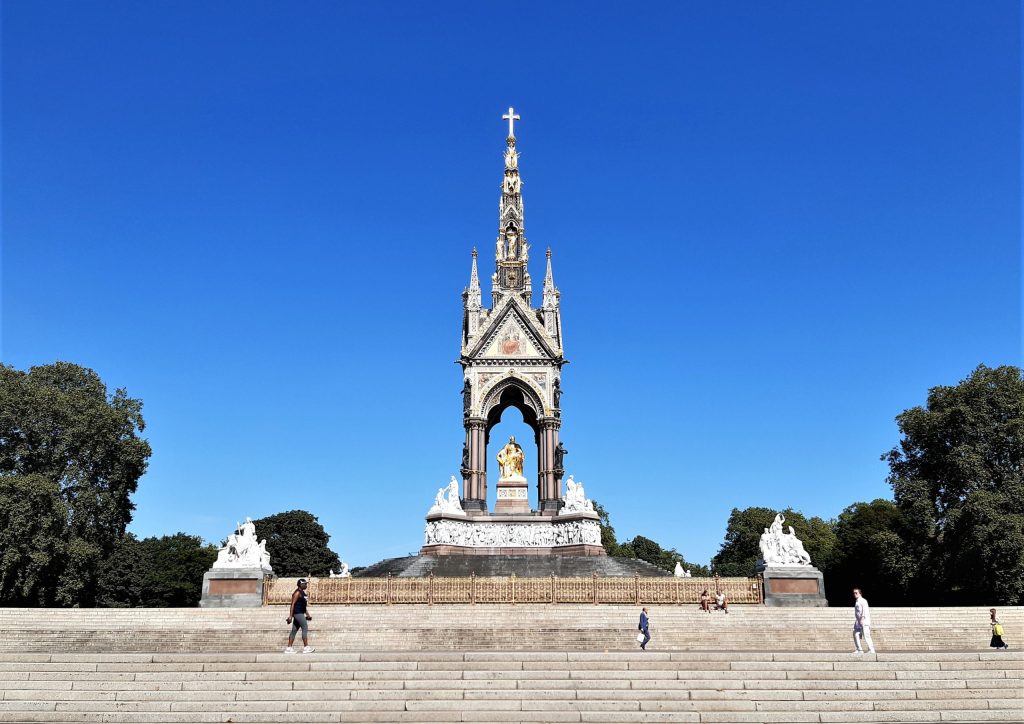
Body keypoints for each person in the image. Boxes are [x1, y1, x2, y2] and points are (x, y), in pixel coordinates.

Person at [284, 578, 315, 654]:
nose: (306, 585)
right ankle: (306, 647)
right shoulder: (297, 593)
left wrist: (308, 615)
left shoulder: (303, 593)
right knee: (305, 628)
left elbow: (303, 606)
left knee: (294, 630)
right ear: (301, 584)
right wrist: (290, 616)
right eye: (305, 584)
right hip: (298, 613)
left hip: (300, 612)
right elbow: (292, 604)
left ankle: (289, 648)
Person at [852, 588, 876, 655]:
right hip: (858, 622)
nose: (855, 594)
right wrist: (857, 621)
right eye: (854, 593)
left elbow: (865, 610)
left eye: (856, 593)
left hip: (864, 621)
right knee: (855, 634)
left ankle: (871, 649)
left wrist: (862, 619)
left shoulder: (863, 600)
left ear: (860, 593)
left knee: (866, 635)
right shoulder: (857, 601)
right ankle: (859, 649)